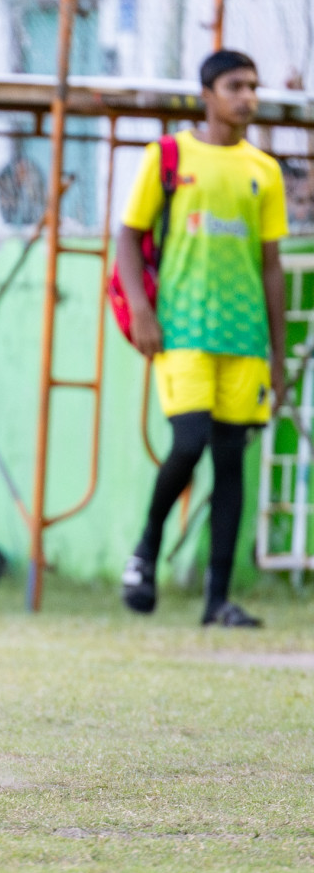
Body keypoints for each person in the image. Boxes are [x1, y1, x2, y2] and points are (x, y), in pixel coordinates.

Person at [117, 50, 286, 628]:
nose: (248, 97)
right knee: (188, 443)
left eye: (253, 86)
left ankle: (217, 600)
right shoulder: (168, 155)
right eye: (236, 85)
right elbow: (128, 235)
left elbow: (271, 266)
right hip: (183, 329)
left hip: (245, 340)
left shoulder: (265, 169)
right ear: (207, 93)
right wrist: (141, 310)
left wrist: (279, 355)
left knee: (231, 463)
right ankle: (146, 548)